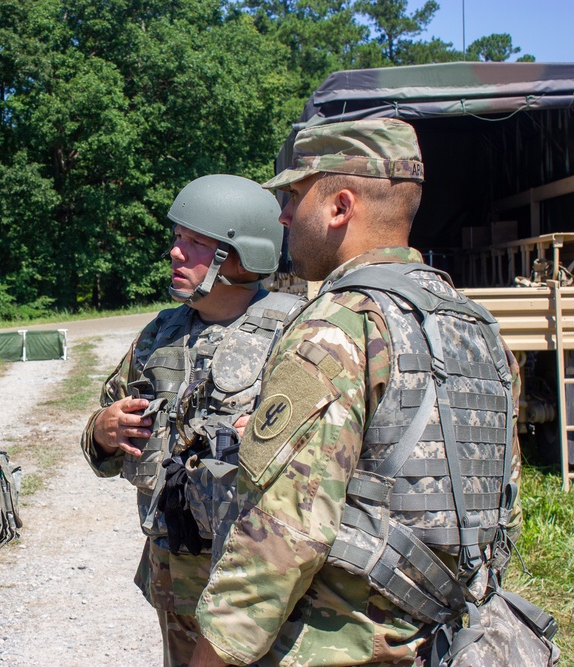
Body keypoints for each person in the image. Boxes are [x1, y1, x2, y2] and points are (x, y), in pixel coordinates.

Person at [190, 119, 526, 666]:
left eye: (294, 195)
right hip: (453, 641)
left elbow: (279, 538)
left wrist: (210, 657)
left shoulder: (338, 326)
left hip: (343, 644)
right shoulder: (476, 326)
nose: (282, 214)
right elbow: (499, 505)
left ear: (339, 207)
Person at [81, 174, 305, 667]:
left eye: (197, 244)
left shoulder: (296, 334)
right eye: (177, 238)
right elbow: (100, 437)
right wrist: (104, 431)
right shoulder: (160, 334)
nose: (176, 253)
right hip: (175, 575)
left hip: (258, 582)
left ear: (242, 256)